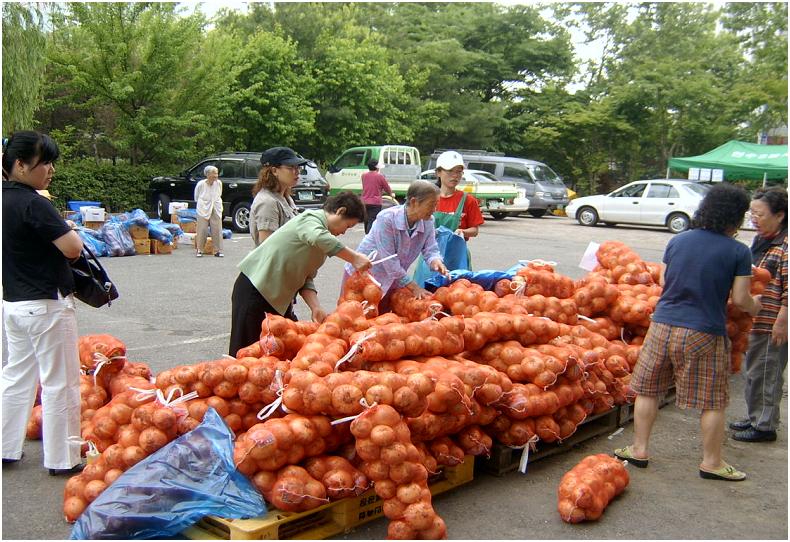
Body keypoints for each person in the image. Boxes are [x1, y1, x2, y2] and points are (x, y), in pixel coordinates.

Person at [613, 183, 762, 481]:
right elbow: (742, 298)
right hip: (703, 331)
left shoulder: (679, 241)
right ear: (735, 216)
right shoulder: (738, 251)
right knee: (713, 400)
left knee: (648, 389)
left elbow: (665, 280)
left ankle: (639, 449)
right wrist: (756, 306)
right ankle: (712, 462)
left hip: (663, 325)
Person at [2, 131, 85, 475]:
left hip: (13, 303)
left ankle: (6, 448)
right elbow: (73, 248)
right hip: (46, 304)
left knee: (16, 377)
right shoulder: (34, 203)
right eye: (44, 162)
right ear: (20, 165)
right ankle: (63, 459)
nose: (50, 170)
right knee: (60, 383)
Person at [229, 192, 372, 356]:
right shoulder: (311, 220)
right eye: (347, 226)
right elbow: (318, 237)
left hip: (277, 300)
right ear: (340, 211)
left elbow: (306, 277)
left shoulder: (323, 239)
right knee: (246, 353)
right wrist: (354, 258)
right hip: (255, 290)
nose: (344, 233)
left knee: (278, 351)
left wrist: (315, 307)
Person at [730, 187, 788, 443]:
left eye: (760, 213)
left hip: (772, 323)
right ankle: (755, 416)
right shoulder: (763, 240)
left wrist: (782, 323)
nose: (753, 218)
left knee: (767, 372)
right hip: (757, 321)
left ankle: (765, 426)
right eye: (751, 213)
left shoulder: (785, 244)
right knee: (755, 372)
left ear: (780, 216)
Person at [344, 180, 448, 307]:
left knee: (379, 322)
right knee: (351, 316)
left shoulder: (428, 221)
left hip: (393, 280)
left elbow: (430, 249)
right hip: (363, 277)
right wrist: (414, 287)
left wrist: (435, 261)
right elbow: (389, 260)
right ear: (414, 202)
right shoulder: (387, 219)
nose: (434, 209)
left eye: (436, 204)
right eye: (431, 204)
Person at [434, 150, 484, 269]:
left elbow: (475, 230)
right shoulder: (429, 198)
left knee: (459, 287)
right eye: (450, 171)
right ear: (438, 172)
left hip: (458, 256)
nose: (455, 176)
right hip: (432, 257)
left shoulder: (468, 200)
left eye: (459, 172)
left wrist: (462, 232)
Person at [250, 147, 304, 247]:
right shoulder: (267, 202)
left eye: (298, 167)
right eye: (291, 167)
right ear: (274, 171)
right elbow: (268, 247)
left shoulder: (285, 197)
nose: (297, 172)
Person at [194, 165, 224, 257]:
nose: (216, 175)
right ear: (207, 174)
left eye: (217, 173)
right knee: (202, 229)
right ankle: (200, 250)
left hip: (216, 207)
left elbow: (219, 194)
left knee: (217, 229)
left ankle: (217, 250)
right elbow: (196, 197)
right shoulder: (201, 184)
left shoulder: (218, 183)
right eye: (214, 173)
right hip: (203, 207)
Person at [361, 158, 394, 233]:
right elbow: (387, 188)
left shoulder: (364, 176)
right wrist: (391, 194)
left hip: (364, 201)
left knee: (367, 219)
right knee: (372, 220)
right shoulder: (380, 176)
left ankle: (366, 234)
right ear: (376, 167)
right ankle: (369, 237)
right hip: (375, 202)